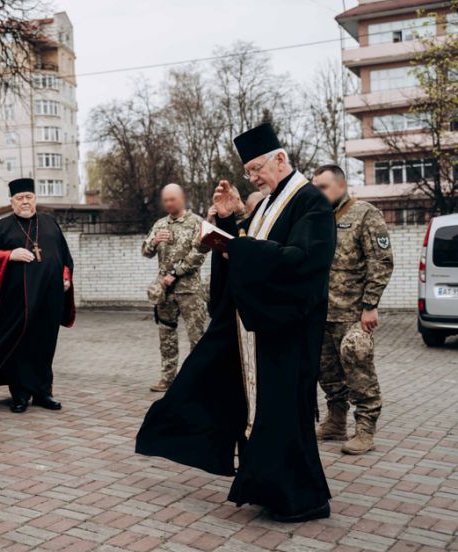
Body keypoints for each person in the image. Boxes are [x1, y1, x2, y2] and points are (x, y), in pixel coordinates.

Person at [136, 123, 336, 522]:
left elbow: (301, 260)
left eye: (256, 169)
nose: (253, 177)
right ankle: (267, 486)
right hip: (258, 331)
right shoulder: (264, 203)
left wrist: (238, 247)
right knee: (258, 412)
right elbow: (249, 247)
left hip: (289, 331)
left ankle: (303, 498)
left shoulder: (310, 202)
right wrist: (228, 225)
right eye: (247, 172)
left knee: (285, 414)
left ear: (281, 159)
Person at [0, 178, 75, 413]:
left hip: (50, 298)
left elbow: (65, 257)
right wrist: (9, 255)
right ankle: (20, 394)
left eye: (29, 197)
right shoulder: (2, 226)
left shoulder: (49, 222)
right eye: (19, 198)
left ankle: (43, 392)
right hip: (19, 301)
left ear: (35, 198)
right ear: (11, 201)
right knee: (20, 345)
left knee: (46, 344)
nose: (25, 202)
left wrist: (66, 277)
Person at [312, 164, 393, 454]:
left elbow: (381, 261)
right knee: (328, 372)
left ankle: (365, 429)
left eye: (323, 186)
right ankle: (335, 422)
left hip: (354, 314)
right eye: (315, 187)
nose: (318, 192)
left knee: (359, 368)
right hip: (323, 312)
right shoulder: (319, 217)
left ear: (341, 185)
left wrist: (370, 305)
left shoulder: (365, 213)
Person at [142, 184, 207, 392]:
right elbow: (146, 251)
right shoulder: (160, 224)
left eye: (173, 199)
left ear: (182, 199)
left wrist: (175, 273)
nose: (169, 203)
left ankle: (198, 380)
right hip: (165, 292)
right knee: (166, 336)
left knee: (197, 336)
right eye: (166, 200)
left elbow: (199, 254)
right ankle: (167, 378)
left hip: (190, 290)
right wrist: (154, 241)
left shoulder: (197, 222)